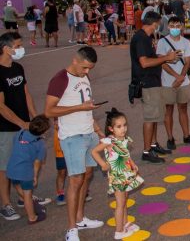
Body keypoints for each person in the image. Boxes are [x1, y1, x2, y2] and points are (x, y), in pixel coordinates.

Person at [44, 46, 105, 241]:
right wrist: (79, 107)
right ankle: (71, 229)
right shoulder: (60, 79)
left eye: (90, 69)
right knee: (76, 180)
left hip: (89, 133)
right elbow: (49, 111)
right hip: (72, 137)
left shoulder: (84, 77)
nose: (87, 72)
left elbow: (88, 108)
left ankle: (80, 218)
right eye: (85, 67)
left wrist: (98, 130)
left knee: (87, 176)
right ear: (75, 60)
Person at [130, 11, 177, 164]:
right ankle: (146, 151)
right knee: (150, 117)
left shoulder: (147, 38)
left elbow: (152, 59)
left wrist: (165, 58)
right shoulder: (141, 38)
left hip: (154, 82)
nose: (159, 26)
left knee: (156, 115)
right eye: (159, 23)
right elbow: (144, 62)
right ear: (155, 23)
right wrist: (165, 58)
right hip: (147, 83)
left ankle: (153, 144)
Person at [0, 32, 37, 221]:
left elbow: (26, 93)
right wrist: (20, 123)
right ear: (6, 49)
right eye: (17, 46)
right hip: (6, 127)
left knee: (24, 162)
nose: (20, 49)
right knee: (5, 167)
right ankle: (6, 204)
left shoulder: (18, 67)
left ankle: (25, 196)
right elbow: (1, 106)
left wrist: (34, 118)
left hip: (24, 124)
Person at [91, 109, 143, 239]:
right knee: (120, 204)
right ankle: (119, 230)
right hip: (117, 177)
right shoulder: (108, 141)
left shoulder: (124, 139)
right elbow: (94, 152)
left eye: (125, 125)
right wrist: (103, 164)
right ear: (111, 128)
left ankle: (125, 224)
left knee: (125, 200)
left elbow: (125, 154)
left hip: (126, 174)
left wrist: (133, 163)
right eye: (119, 126)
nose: (123, 129)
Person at [156, 17, 190, 150]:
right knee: (168, 110)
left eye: (178, 26)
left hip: (183, 82)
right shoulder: (162, 42)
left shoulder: (186, 42)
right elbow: (161, 62)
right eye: (172, 25)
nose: (175, 28)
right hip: (168, 82)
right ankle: (170, 138)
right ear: (168, 27)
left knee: (183, 108)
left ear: (182, 27)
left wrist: (181, 77)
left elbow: (187, 62)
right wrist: (176, 76)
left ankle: (186, 135)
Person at [6, 114, 50, 225]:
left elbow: (15, 142)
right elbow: (37, 162)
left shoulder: (21, 132)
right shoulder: (40, 145)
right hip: (25, 173)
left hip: (11, 169)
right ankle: (32, 217)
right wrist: (34, 176)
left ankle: (28, 202)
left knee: (17, 186)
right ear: (43, 132)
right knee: (27, 195)